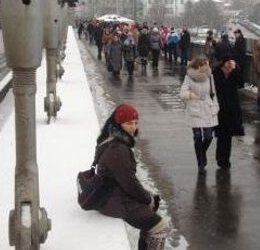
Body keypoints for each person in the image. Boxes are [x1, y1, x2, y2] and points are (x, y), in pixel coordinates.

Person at [93, 104, 169, 250]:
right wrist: (148, 198)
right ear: (119, 124)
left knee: (151, 210)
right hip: (112, 199)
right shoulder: (118, 149)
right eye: (129, 123)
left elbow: (127, 180)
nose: (133, 127)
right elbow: (129, 183)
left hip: (111, 194)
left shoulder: (112, 139)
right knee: (160, 227)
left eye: (135, 122)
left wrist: (149, 198)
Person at [179, 56, 219, 173]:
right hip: (194, 108)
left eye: (208, 64)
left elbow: (213, 93)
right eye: (205, 64)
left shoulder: (209, 76)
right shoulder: (189, 77)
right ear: (198, 66)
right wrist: (190, 95)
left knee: (208, 137)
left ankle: (202, 154)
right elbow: (182, 93)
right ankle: (200, 162)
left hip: (207, 107)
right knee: (197, 137)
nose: (207, 67)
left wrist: (216, 106)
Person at [213, 55, 244, 169]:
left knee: (228, 136)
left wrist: (235, 69)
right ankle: (220, 158)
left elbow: (241, 83)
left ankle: (226, 160)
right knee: (221, 135)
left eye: (231, 62)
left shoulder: (234, 71)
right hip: (219, 107)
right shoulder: (217, 71)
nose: (229, 64)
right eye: (227, 62)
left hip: (232, 108)